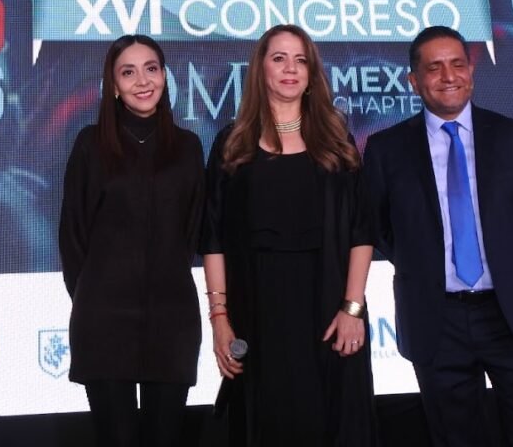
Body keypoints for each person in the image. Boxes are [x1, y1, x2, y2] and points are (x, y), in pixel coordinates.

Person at [362, 25, 513, 446]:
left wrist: (508, 262)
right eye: (434, 67)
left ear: (470, 72)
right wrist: (427, 265)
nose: (448, 76)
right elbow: (380, 227)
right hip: (437, 320)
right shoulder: (386, 149)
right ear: (413, 80)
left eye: (457, 64)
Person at [200, 24, 377, 447]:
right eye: (279, 58)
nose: (290, 69)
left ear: (312, 73)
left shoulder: (336, 142)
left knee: (333, 422)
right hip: (257, 313)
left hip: (330, 308)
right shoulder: (232, 144)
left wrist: (352, 308)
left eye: (300, 60)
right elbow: (213, 239)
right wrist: (220, 320)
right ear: (260, 70)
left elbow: (361, 230)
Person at [58, 34, 205, 447]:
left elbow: (190, 232)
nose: (143, 81)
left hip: (172, 319)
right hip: (104, 320)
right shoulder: (90, 143)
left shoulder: (188, 147)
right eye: (128, 72)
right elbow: (73, 235)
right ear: (113, 85)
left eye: (151, 69)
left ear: (164, 76)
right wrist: (94, 295)